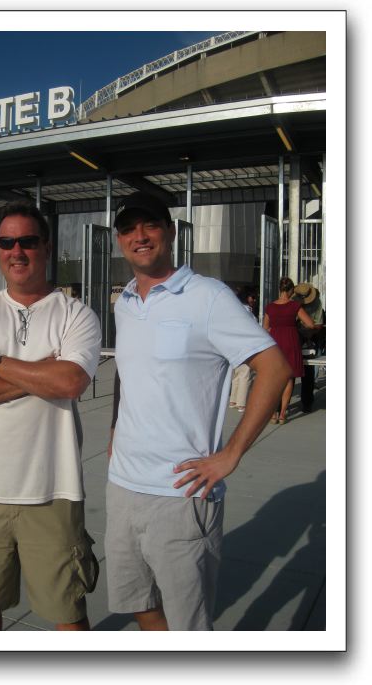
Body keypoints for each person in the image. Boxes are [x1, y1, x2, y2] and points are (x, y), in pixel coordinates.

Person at [106, 192, 292, 631]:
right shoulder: (125, 302)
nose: (139, 236)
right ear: (119, 240)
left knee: (189, 624)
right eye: (129, 229)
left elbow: (275, 369)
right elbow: (128, 371)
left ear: (170, 232)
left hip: (181, 493)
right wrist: (115, 430)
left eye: (150, 225)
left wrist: (230, 454)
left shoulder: (207, 296)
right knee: (138, 602)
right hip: (123, 486)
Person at [0, 198, 102, 631]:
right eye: (6, 242)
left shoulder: (75, 314)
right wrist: (39, 374)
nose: (17, 251)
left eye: (28, 241)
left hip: (54, 492)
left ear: (46, 246)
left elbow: (69, 382)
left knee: (68, 617)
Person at [263, 277, 320, 424]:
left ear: (280, 289)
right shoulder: (295, 306)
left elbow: (265, 328)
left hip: (275, 343)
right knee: (289, 378)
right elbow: (310, 324)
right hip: (291, 342)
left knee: (274, 379)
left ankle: (273, 413)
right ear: (290, 291)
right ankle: (282, 414)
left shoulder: (270, 307)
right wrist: (313, 326)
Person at [292, 283, 325, 413]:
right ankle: (286, 403)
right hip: (295, 337)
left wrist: (310, 330)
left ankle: (306, 402)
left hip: (309, 338)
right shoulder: (293, 302)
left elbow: (319, 324)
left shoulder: (316, 303)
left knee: (307, 370)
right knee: (292, 372)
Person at [229, 287, 258, 412]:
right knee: (245, 374)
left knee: (237, 374)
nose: (255, 300)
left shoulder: (236, 309)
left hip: (234, 345)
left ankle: (233, 400)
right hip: (246, 345)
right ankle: (241, 403)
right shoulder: (247, 311)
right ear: (247, 298)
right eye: (253, 297)